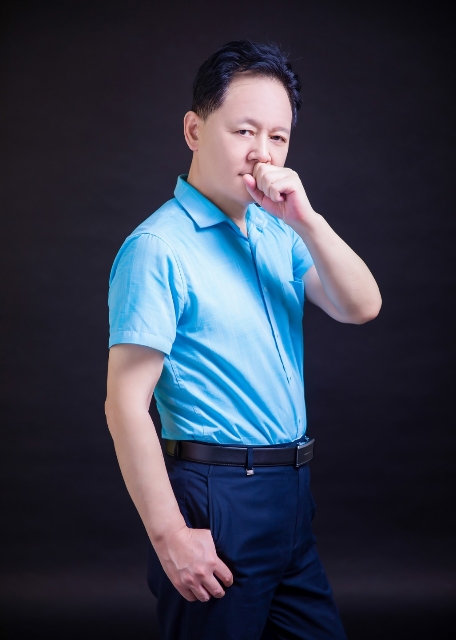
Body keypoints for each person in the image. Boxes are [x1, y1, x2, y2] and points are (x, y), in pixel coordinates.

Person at [105, 40, 381, 640]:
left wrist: (307, 220)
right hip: (217, 498)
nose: (262, 152)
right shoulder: (158, 248)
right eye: (244, 131)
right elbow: (124, 404)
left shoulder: (278, 232)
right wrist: (171, 535)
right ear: (194, 130)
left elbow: (362, 306)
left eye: (278, 137)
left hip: (292, 497)